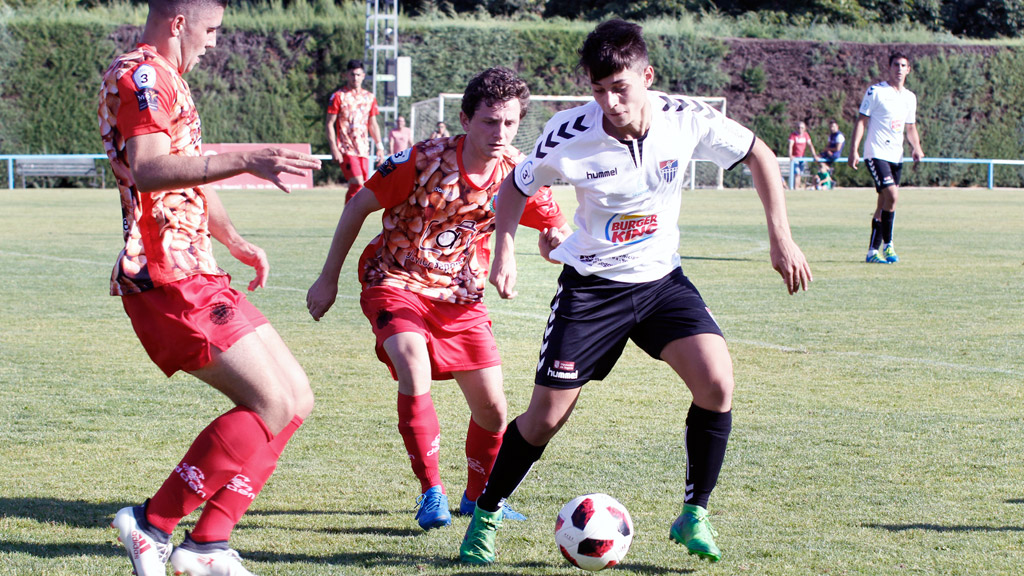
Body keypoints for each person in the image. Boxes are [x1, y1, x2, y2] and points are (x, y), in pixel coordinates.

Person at [460, 19, 812, 566]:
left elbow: (759, 155)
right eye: (598, 90)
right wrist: (503, 251)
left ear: (647, 76)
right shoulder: (569, 132)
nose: (610, 102)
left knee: (717, 382)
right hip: (592, 290)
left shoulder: (687, 118)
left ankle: (694, 513)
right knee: (545, 418)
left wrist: (781, 238)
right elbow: (515, 187)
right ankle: (485, 516)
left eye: (619, 88)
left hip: (660, 282)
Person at [99, 1, 321, 575]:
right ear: (179, 23)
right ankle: (151, 524)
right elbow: (150, 168)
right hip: (167, 274)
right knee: (270, 402)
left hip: (196, 268)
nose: (215, 42)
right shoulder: (142, 76)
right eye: (212, 30)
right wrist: (245, 158)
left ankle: (207, 545)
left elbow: (189, 167)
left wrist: (235, 240)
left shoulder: (167, 79)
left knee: (295, 399)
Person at [306, 67, 571, 532]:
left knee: (493, 409)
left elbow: (556, 232)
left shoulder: (520, 173)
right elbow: (358, 206)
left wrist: (555, 246)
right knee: (413, 365)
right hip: (395, 280)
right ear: (466, 120)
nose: (500, 133)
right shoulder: (421, 160)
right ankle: (432, 492)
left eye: (510, 123)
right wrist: (328, 278)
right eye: (489, 121)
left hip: (460, 296)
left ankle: (477, 498)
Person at [848, 51, 924, 264]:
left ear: (908, 70)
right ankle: (888, 245)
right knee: (892, 195)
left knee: (884, 202)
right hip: (876, 153)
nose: (899, 69)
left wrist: (916, 148)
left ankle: (872, 251)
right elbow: (861, 121)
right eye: (895, 65)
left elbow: (910, 127)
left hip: (896, 156)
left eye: (903, 66)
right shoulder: (876, 92)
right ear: (889, 68)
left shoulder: (909, 97)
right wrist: (854, 150)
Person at [326, 59, 384, 203]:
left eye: (358, 75)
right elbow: (329, 123)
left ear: (363, 76)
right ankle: (347, 216)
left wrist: (379, 146)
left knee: (364, 186)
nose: (355, 78)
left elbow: (373, 124)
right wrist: (334, 148)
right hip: (346, 148)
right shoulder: (339, 96)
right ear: (347, 75)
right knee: (357, 183)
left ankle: (354, 215)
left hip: (363, 148)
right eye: (352, 74)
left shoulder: (369, 97)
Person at [787, 121, 820, 190]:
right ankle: (796, 188)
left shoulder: (806, 135)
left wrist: (814, 155)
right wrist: (790, 155)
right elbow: (790, 146)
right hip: (795, 158)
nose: (800, 129)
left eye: (802, 128)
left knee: (800, 173)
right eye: (798, 127)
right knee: (797, 173)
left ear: (804, 128)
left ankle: (797, 187)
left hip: (802, 158)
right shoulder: (793, 135)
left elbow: (810, 145)